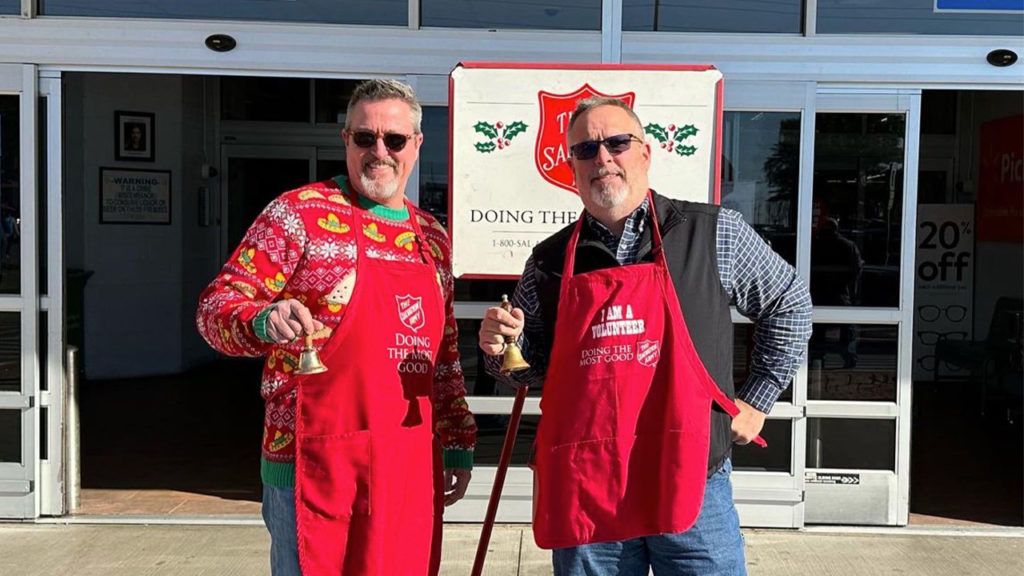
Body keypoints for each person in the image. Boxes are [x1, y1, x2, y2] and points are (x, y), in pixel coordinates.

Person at [479, 97, 812, 575]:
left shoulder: (712, 232)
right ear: (571, 166)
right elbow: (529, 369)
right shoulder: (549, 261)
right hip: (590, 490)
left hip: (694, 481)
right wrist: (499, 348)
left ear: (646, 153)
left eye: (617, 142)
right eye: (586, 149)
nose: (603, 158)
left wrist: (757, 400)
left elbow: (790, 304)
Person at [197, 79, 476, 576]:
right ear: (345, 139)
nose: (379, 152)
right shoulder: (298, 214)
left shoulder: (432, 238)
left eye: (393, 140)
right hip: (313, 464)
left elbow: (445, 351)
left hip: (405, 464)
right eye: (365, 138)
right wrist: (263, 319)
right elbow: (214, 310)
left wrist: (456, 439)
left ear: (417, 144)